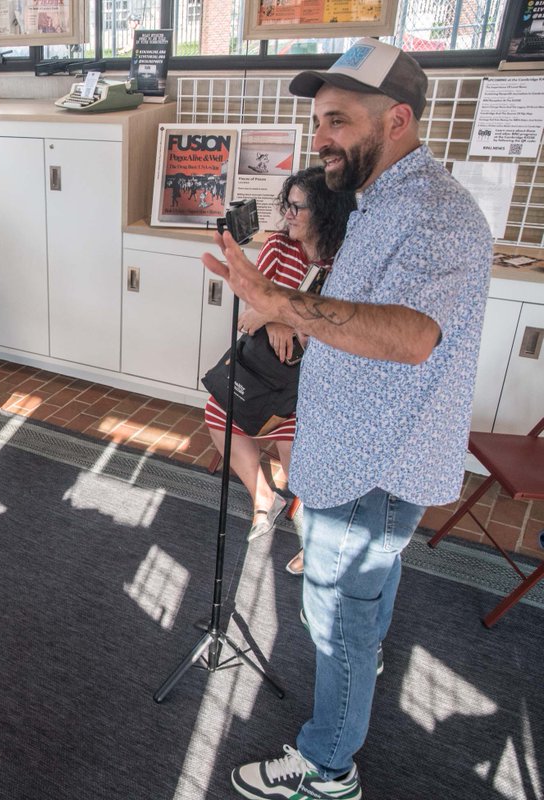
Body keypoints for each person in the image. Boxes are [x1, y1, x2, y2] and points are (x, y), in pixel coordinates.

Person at [203, 39, 491, 799]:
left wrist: (285, 306)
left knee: (336, 618)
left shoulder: (437, 213)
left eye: (337, 121)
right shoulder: (379, 201)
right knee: (361, 606)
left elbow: (411, 334)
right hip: (356, 454)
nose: (319, 138)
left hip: (374, 465)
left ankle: (327, 764)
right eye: (318, 121)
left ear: (396, 120)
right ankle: (360, 666)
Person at [203, 165, 355, 576]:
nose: (287, 214)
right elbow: (249, 314)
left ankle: (314, 535)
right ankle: (262, 497)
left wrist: (285, 318)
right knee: (219, 410)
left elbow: (337, 330)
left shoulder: (344, 263)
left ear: (325, 211)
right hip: (263, 369)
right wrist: (275, 320)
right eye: (285, 205)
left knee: (293, 441)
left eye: (297, 207)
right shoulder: (277, 248)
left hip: (311, 381)